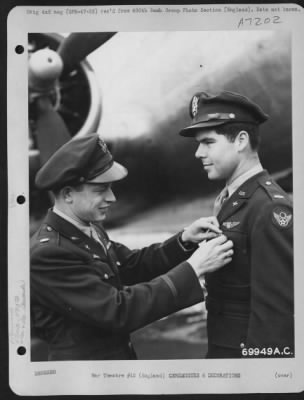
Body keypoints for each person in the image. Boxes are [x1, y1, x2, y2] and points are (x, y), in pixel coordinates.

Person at [30, 132, 233, 361]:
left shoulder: (87, 229)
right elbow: (118, 311)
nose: (112, 198)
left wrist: (184, 240)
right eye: (101, 190)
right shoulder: (49, 253)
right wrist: (193, 269)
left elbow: (131, 265)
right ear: (68, 194)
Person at [179, 90, 293, 358]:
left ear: (241, 140)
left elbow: (275, 317)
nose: (198, 153)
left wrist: (253, 381)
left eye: (208, 142)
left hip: (243, 364)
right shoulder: (233, 199)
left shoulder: (269, 208)